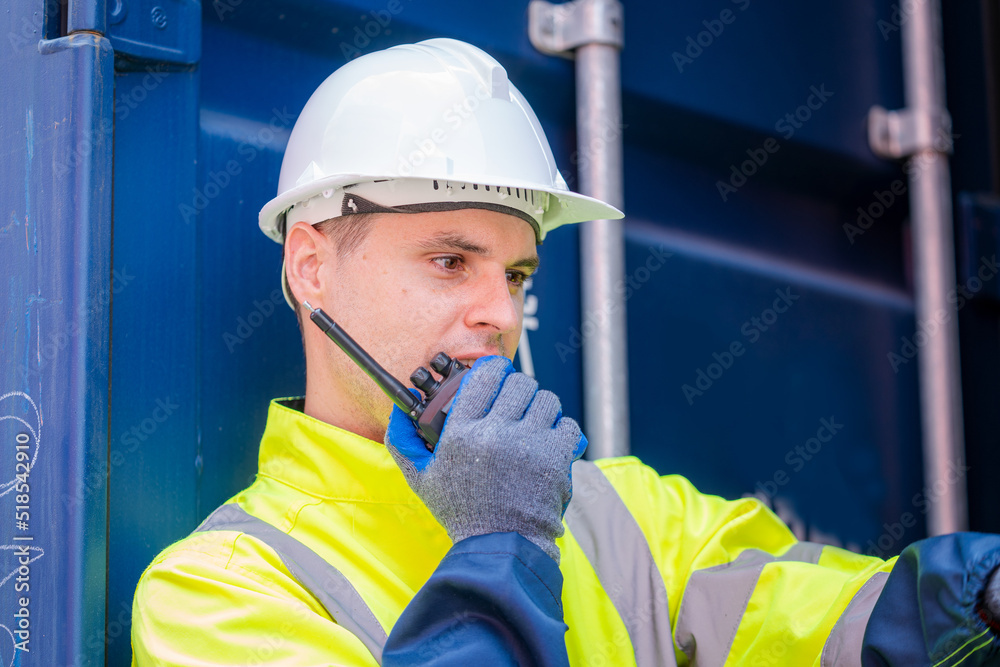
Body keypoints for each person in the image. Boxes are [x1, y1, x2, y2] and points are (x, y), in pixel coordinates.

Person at [131, 38, 1000, 666]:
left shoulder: (617, 512)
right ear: (312, 267)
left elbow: (843, 619)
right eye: (449, 260)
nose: (498, 314)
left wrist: (983, 596)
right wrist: (501, 541)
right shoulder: (219, 597)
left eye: (514, 272)